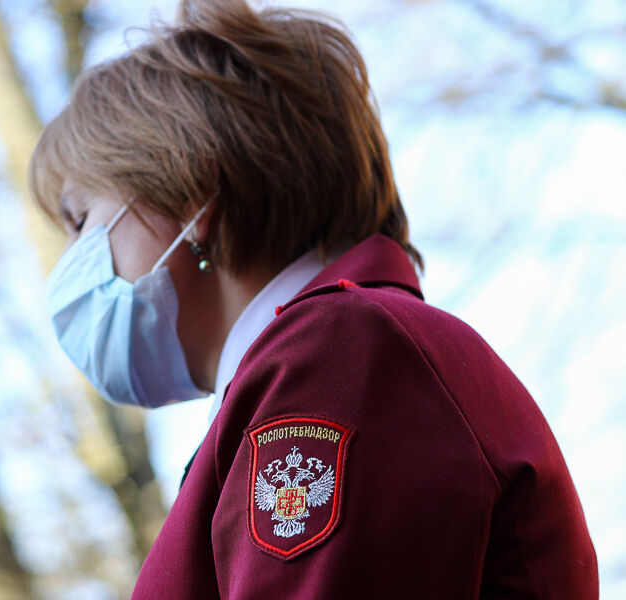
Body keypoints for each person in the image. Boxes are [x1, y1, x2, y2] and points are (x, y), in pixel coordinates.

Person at [29, 0, 598, 597]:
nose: (70, 259)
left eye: (80, 220)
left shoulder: (340, 351)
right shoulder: (320, 364)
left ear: (192, 188)